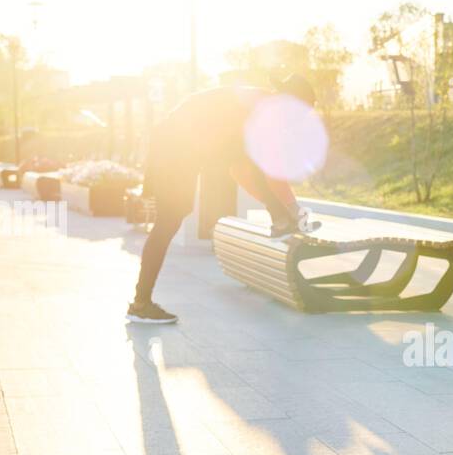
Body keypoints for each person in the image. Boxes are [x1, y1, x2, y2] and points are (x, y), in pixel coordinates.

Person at [127, 74, 322, 324]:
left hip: (178, 145)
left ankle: (141, 303)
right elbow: (259, 168)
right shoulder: (262, 111)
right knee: (168, 221)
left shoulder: (261, 104)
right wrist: (288, 212)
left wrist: (286, 212)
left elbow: (242, 168)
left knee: (173, 217)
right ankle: (141, 304)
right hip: (175, 147)